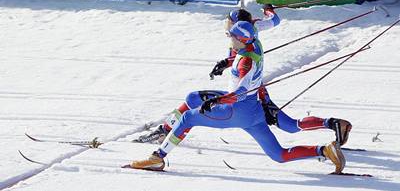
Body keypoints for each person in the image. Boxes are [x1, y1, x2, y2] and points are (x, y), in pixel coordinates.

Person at [128, 21, 346, 173]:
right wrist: (226, 62)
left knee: (189, 118)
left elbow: (240, 91)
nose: (229, 39)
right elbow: (246, 53)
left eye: (231, 36)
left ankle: (158, 157)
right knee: (278, 155)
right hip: (255, 112)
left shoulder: (244, 63)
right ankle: (324, 150)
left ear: (240, 40)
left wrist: (217, 101)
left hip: (236, 110)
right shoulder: (255, 46)